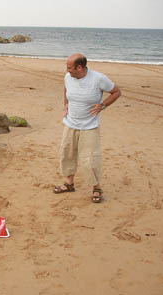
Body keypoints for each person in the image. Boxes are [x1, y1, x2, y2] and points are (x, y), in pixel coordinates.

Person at [53, 53, 121, 203]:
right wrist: (66, 104)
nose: (67, 71)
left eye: (69, 68)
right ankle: (69, 184)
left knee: (90, 159)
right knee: (67, 153)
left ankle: (96, 188)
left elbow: (116, 92)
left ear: (80, 67)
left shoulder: (98, 78)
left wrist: (103, 105)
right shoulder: (68, 77)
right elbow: (66, 90)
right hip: (70, 123)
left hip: (90, 126)